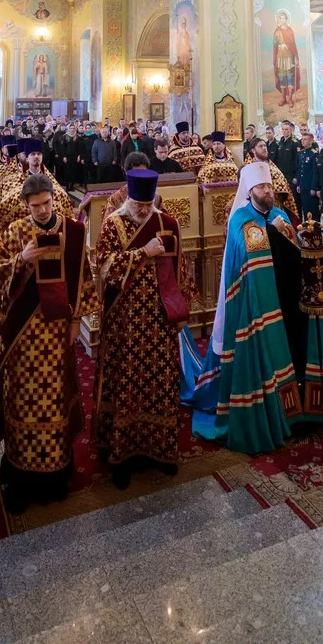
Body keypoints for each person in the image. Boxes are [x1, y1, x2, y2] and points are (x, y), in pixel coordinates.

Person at [190, 162, 323, 452]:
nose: (268, 191)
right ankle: (274, 415)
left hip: (289, 300)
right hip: (260, 305)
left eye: (270, 187)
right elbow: (248, 253)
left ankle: (304, 410)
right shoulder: (240, 219)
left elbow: (294, 251)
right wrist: (273, 232)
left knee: (297, 351)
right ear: (249, 191)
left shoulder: (279, 214)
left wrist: (303, 240)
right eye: (262, 187)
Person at [0, 174, 98, 513]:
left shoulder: (74, 232)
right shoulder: (15, 232)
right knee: (23, 399)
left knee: (53, 397)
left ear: (54, 199)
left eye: (47, 203)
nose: (43, 210)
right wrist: (21, 259)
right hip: (22, 333)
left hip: (56, 331)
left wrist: (77, 321)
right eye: (36, 206)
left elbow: (84, 278)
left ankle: (55, 474)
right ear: (26, 205)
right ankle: (20, 476)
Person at [93, 168, 194, 488]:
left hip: (160, 322)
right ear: (128, 200)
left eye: (148, 204)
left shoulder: (169, 224)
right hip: (124, 322)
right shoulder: (113, 225)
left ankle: (160, 449)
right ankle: (122, 455)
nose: (143, 210)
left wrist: (181, 312)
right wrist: (142, 253)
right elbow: (104, 267)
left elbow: (183, 269)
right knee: (126, 381)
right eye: (138, 204)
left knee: (161, 382)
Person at [250, 138, 298, 223]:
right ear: (253, 150)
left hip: (277, 207)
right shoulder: (250, 168)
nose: (264, 148)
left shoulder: (272, 165)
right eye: (260, 146)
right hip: (259, 209)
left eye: (265, 146)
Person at [294, 130, 320, 222]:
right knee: (305, 206)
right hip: (303, 185)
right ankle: (307, 224)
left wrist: (314, 187)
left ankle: (315, 226)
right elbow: (300, 169)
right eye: (302, 139)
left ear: (311, 141)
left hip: (310, 185)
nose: (303, 141)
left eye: (305, 139)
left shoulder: (314, 154)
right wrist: (298, 184)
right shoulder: (301, 153)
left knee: (312, 207)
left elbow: (315, 172)